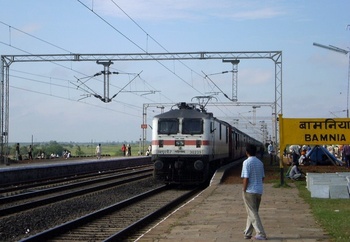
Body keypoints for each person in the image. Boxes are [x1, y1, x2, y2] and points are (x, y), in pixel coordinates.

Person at [241, 144, 267, 240]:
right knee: (252, 212)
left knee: (252, 212)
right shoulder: (260, 163)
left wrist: (244, 189)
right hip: (259, 190)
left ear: (246, 152)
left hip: (250, 190)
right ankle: (247, 232)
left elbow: (246, 178)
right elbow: (263, 177)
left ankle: (261, 233)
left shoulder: (246, 162)